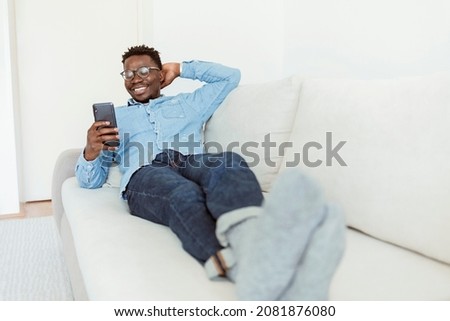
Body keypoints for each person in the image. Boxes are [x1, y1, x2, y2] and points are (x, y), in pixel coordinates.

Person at [75, 44, 345, 300]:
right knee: (183, 193)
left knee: (228, 162)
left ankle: (260, 252)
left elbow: (230, 77)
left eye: (144, 71)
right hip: (146, 173)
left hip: (191, 162)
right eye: (128, 73)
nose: (135, 78)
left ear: (161, 74)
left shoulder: (187, 103)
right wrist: (91, 150)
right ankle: (250, 274)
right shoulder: (115, 119)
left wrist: (181, 68)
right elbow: (90, 181)